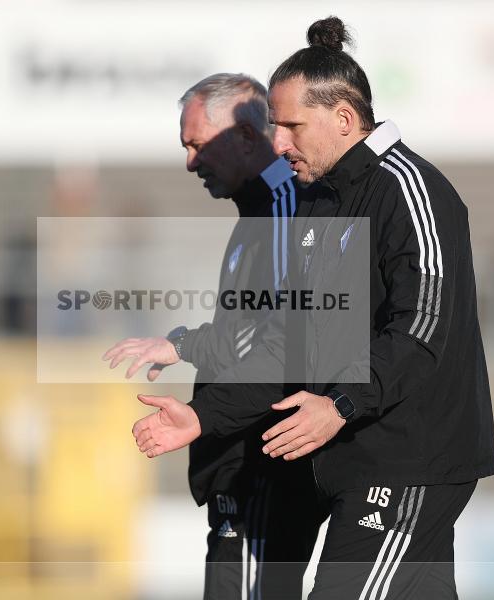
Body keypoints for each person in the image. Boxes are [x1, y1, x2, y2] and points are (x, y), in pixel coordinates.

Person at [131, 17, 494, 600]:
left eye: (291, 127)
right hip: (353, 458)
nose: (279, 144)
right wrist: (205, 416)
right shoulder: (321, 205)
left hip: (409, 462)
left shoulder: (411, 191)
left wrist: (341, 402)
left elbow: (422, 327)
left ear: (344, 119)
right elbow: (291, 343)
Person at [103, 73, 324, 600]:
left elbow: (281, 340)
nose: (190, 161)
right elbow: (250, 330)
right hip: (239, 463)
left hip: (260, 462)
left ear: (246, 138)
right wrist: (185, 343)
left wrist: (184, 350)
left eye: (197, 144)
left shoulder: (282, 205)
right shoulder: (261, 207)